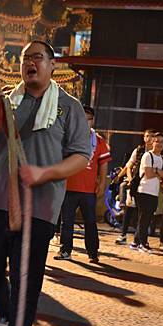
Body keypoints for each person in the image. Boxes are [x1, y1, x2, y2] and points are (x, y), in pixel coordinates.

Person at [0, 40, 90, 326]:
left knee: (27, 277)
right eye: (25, 58)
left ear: (52, 65)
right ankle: (7, 314)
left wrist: (43, 173)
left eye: (37, 57)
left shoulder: (69, 107)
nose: (30, 63)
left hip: (40, 206)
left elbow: (80, 157)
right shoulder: (6, 100)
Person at [54, 105, 111, 263]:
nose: (86, 122)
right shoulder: (67, 137)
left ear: (93, 121)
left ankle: (93, 252)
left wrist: (101, 183)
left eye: (89, 119)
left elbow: (103, 164)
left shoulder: (99, 141)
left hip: (88, 189)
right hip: (69, 187)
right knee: (67, 221)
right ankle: (65, 250)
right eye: (82, 118)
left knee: (90, 221)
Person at [115, 129, 156, 246]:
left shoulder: (157, 154)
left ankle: (139, 239)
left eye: (152, 136)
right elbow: (129, 166)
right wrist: (128, 178)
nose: (149, 138)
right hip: (135, 184)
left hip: (148, 187)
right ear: (144, 138)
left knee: (143, 213)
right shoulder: (138, 151)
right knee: (129, 209)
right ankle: (123, 234)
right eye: (147, 136)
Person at [134, 132, 163, 253]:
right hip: (144, 191)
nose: (159, 144)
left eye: (162, 142)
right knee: (144, 218)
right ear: (152, 142)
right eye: (157, 141)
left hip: (154, 192)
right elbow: (148, 174)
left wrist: (155, 170)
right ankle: (143, 243)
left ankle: (136, 241)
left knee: (146, 218)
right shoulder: (147, 156)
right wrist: (159, 172)